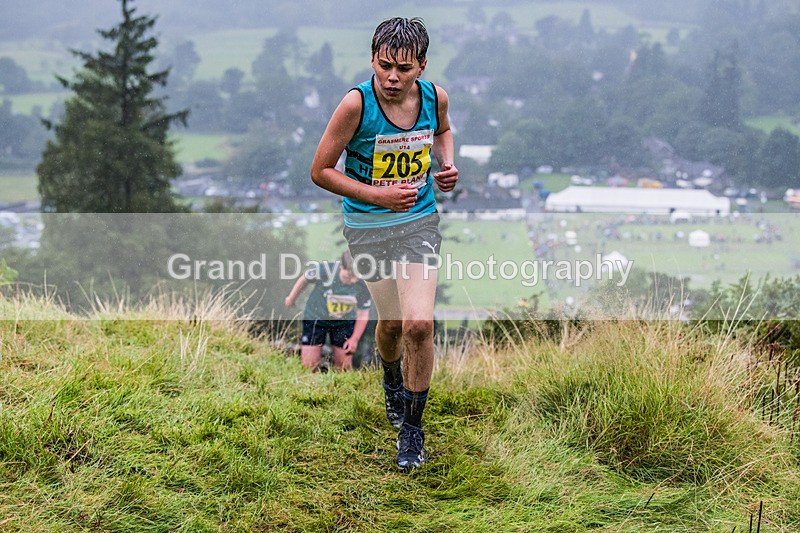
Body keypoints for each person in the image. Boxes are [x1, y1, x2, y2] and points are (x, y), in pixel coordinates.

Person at [310, 17, 458, 469]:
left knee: (419, 325)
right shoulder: (356, 104)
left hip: (418, 222)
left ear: (422, 67)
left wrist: (446, 166)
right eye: (384, 65)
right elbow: (320, 170)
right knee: (391, 324)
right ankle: (391, 378)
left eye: (404, 69)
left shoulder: (435, 98)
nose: (392, 78)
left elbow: (443, 132)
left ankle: (412, 431)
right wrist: (379, 196)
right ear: (373, 58)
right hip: (367, 228)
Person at [284, 251, 372, 372]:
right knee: (310, 366)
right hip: (316, 318)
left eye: (356, 276)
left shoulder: (363, 284)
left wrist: (354, 339)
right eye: (349, 276)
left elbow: (363, 313)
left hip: (343, 323)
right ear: (341, 266)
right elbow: (304, 279)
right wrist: (291, 298)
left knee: (344, 368)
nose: (352, 281)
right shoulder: (325, 270)